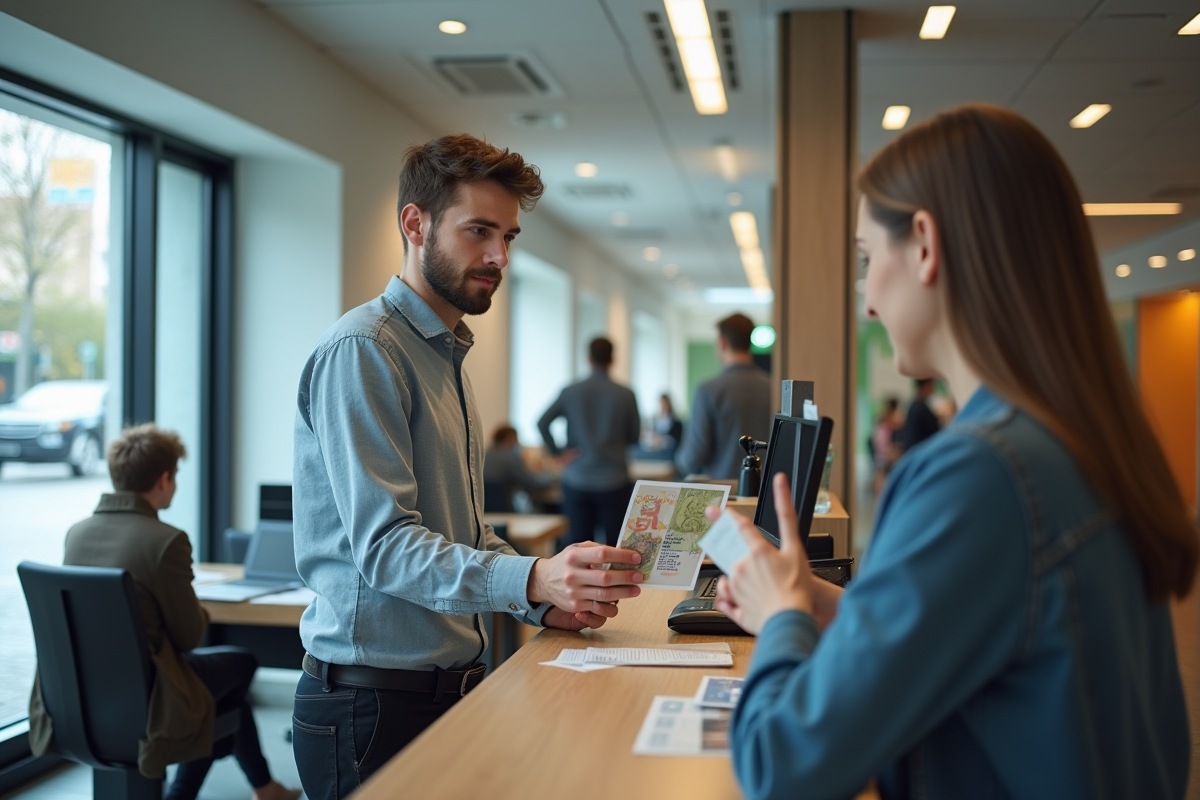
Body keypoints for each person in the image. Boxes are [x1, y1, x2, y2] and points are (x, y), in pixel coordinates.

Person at [713, 105, 1196, 799]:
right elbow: (1004, 636)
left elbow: (780, 765)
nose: (868, 298)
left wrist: (782, 618)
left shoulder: (981, 474)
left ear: (925, 244)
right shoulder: (1078, 440)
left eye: (866, 259)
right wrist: (832, 608)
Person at [291, 134, 643, 799]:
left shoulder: (445, 355)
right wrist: (535, 573)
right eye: (478, 231)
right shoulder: (365, 351)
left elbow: (466, 532)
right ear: (414, 223)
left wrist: (543, 601)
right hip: (371, 707)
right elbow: (387, 549)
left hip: (447, 691)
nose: (498, 256)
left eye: (508, 236)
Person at [29, 424, 298, 800]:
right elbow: (188, 637)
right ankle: (188, 794)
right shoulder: (166, 540)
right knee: (241, 665)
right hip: (148, 699)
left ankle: (263, 788)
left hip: (77, 698)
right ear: (164, 479)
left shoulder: (77, 533)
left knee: (224, 699)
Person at [537, 337, 640, 548]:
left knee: (579, 548)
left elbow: (542, 422)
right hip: (615, 480)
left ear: (588, 359)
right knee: (616, 548)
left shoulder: (571, 391)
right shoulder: (626, 394)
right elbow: (634, 437)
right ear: (613, 359)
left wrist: (558, 453)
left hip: (578, 480)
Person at [675, 313, 772, 480]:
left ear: (723, 343)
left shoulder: (708, 390)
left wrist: (679, 461)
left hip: (723, 494)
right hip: (766, 491)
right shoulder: (773, 387)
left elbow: (693, 456)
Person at [483, 424, 555, 512]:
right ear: (510, 438)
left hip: (485, 511)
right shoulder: (509, 457)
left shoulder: (485, 454)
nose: (517, 443)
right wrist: (554, 476)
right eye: (516, 439)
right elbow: (535, 483)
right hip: (504, 511)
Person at [900, 377, 940, 451]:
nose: (934, 388)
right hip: (920, 451)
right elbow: (934, 431)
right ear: (926, 386)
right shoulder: (920, 408)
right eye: (932, 385)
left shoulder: (914, 405)